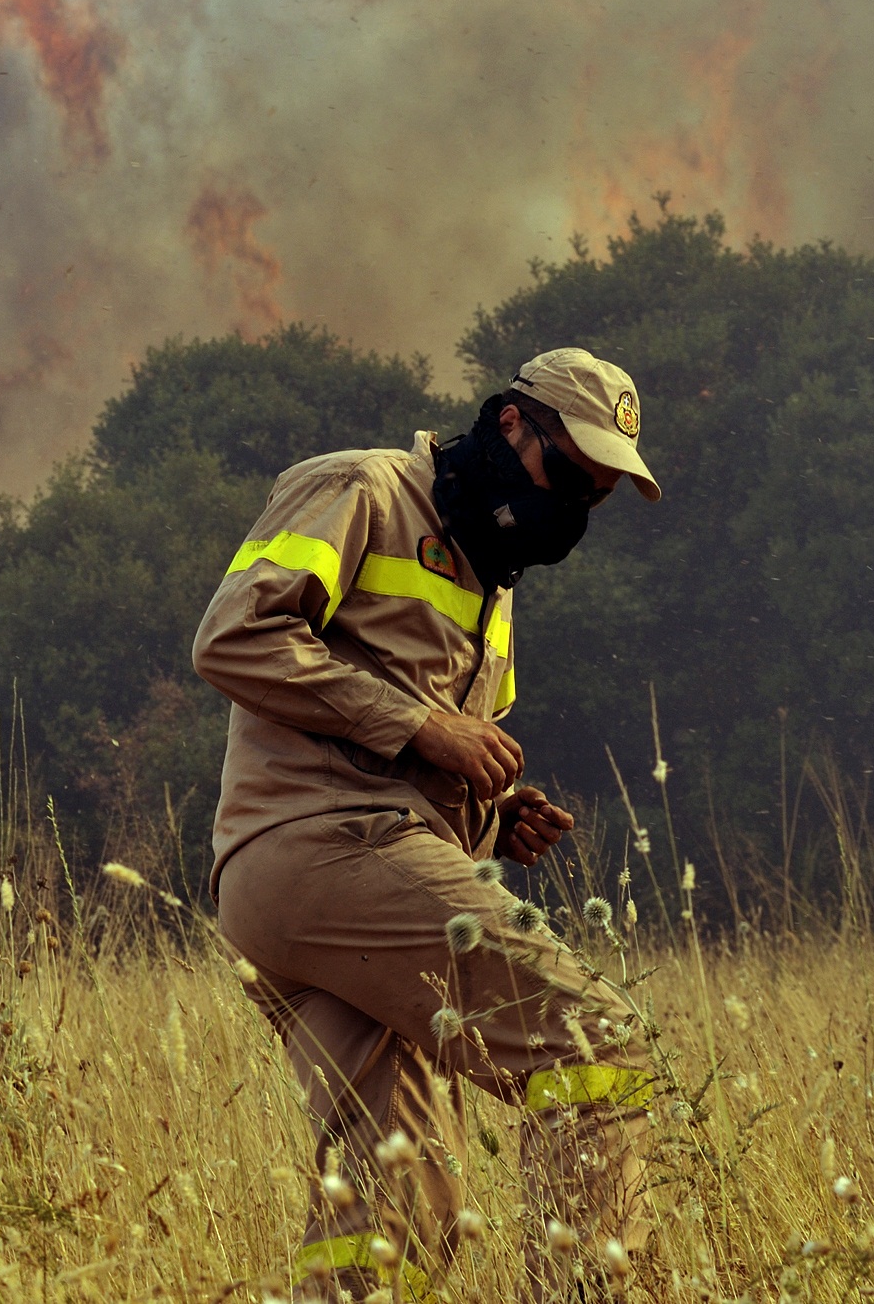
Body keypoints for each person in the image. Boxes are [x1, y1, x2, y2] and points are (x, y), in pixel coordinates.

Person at [192, 347, 663, 1303]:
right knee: (596, 1045)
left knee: (399, 1208)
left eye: (598, 496)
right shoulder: (358, 488)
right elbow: (234, 637)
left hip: (329, 888)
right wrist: (425, 726)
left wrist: (492, 805)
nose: (574, 507)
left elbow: (435, 750)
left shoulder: (496, 584)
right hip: (325, 847)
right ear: (511, 425)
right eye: (569, 473)